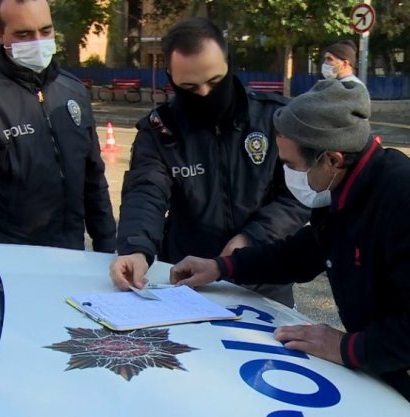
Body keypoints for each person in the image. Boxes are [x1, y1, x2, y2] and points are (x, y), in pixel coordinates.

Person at [170, 80, 410, 416]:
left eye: (290, 164)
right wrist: (222, 268)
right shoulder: (346, 191)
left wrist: (346, 348)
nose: (287, 175)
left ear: (332, 158)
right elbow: (303, 252)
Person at [109, 18, 309, 307]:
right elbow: (145, 192)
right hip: (187, 281)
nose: (204, 94)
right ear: (171, 78)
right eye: (190, 87)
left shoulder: (275, 119)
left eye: (214, 82)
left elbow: (297, 195)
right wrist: (136, 249)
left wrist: (251, 238)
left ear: (229, 64)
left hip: (263, 280)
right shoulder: (160, 131)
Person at [0, 0, 116, 253]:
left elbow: (94, 181)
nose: (38, 41)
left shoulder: (73, 91)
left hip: (72, 256)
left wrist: (108, 249)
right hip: (11, 265)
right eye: (24, 34)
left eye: (46, 30)